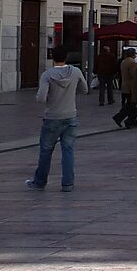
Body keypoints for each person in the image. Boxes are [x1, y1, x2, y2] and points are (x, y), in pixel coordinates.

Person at [26, 45, 89, 192]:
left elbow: (41, 98)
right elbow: (85, 89)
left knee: (46, 151)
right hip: (70, 116)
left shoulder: (47, 75)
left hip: (52, 117)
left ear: (53, 58)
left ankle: (39, 182)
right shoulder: (76, 71)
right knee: (68, 151)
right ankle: (68, 184)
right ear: (66, 57)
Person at [112, 49, 137, 128]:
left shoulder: (123, 61)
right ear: (133, 54)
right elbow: (133, 75)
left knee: (131, 104)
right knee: (131, 104)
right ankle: (119, 117)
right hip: (131, 87)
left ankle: (133, 120)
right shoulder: (132, 63)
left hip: (125, 85)